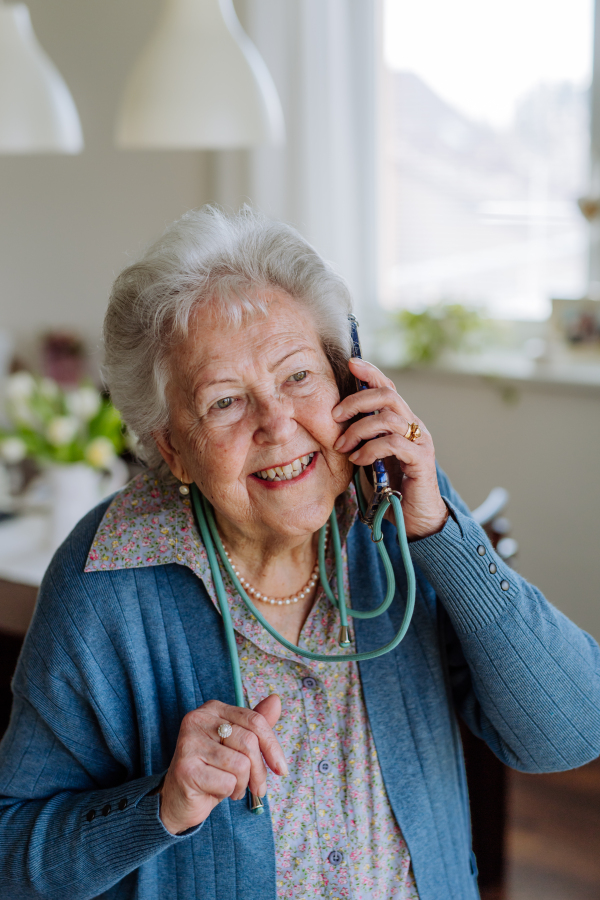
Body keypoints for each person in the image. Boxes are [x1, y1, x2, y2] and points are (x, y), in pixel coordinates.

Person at [0, 207, 598, 900]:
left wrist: (440, 535)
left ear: (350, 382)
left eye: (297, 377)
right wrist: (160, 804)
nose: (277, 424)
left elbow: (572, 732)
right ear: (173, 450)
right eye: (225, 402)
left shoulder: (400, 514)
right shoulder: (106, 581)